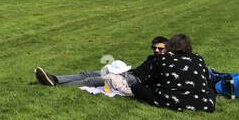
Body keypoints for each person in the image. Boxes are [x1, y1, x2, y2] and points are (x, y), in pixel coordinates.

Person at [35, 36, 169, 89]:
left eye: (160, 48)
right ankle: (55, 78)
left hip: (134, 80)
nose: (156, 50)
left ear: (167, 48)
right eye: (154, 47)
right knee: (87, 73)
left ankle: (57, 86)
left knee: (92, 81)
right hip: (128, 73)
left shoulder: (168, 61)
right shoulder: (152, 58)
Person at [131, 33, 216, 113]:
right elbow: (204, 79)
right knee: (210, 91)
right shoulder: (198, 58)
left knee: (136, 87)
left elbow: (149, 81)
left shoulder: (162, 59)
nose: (156, 50)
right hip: (202, 101)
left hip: (169, 98)